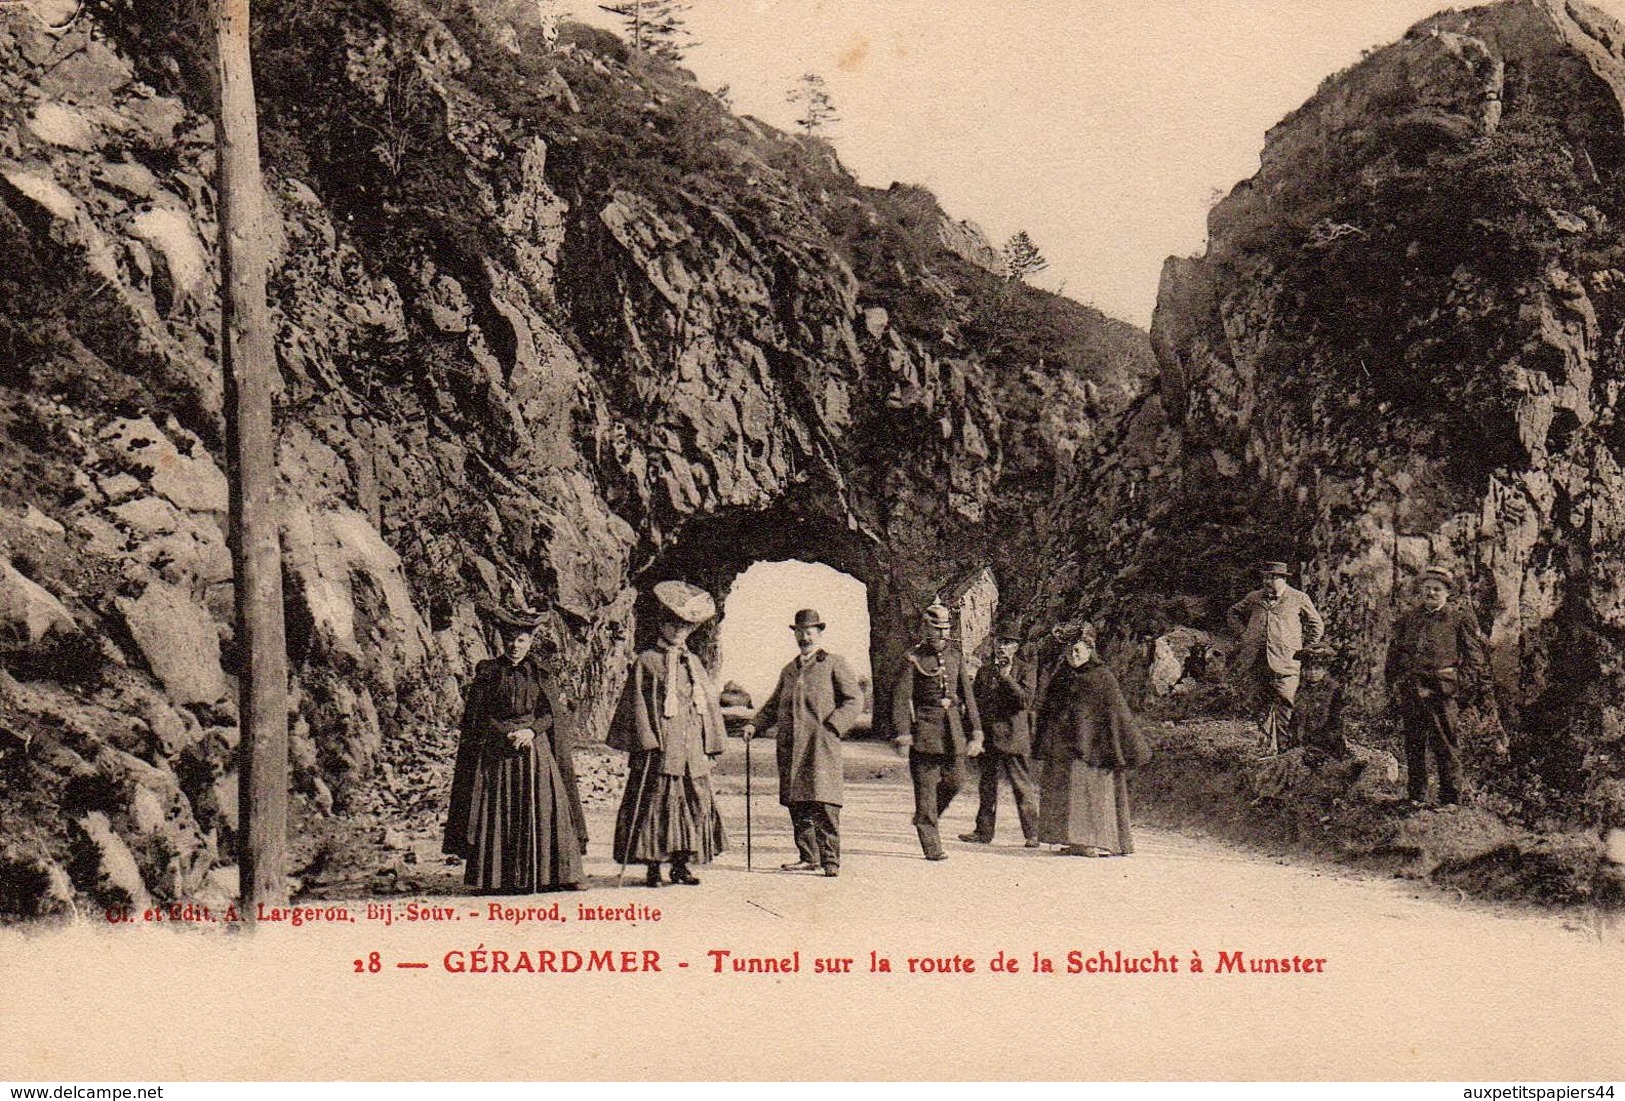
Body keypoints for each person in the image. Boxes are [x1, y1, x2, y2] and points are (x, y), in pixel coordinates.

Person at [442, 605, 586, 893]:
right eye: (510, 639)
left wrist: (531, 731)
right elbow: (478, 716)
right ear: (501, 640)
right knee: (499, 811)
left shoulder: (540, 673)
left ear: (530, 642)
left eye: (521, 640)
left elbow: (550, 714)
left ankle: (549, 876)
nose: (515, 645)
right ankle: (498, 879)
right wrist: (507, 733)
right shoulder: (488, 672)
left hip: (536, 750)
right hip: (500, 751)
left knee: (545, 807)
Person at [607, 580, 729, 887]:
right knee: (656, 805)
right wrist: (646, 740)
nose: (678, 631)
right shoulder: (647, 661)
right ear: (662, 624)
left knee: (692, 804)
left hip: (690, 752)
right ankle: (653, 868)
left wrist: (711, 743)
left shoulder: (694, 663)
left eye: (685, 627)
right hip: (661, 748)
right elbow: (636, 703)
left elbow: (708, 705)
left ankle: (681, 865)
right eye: (673, 624)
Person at [744, 609, 865, 878]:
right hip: (790, 747)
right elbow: (774, 705)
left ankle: (830, 860)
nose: (804, 637)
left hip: (821, 746)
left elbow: (854, 699)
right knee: (797, 802)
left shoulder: (834, 663)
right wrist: (754, 724)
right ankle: (808, 856)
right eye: (799, 631)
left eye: (809, 632)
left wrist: (834, 726)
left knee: (824, 802)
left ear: (819, 633)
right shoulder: (789, 670)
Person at [1033, 624, 1150, 857]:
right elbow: (1048, 709)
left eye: (1077, 651)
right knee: (1066, 792)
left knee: (1091, 793)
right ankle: (1073, 841)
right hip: (1066, 747)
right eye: (1068, 652)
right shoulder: (1062, 676)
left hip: (1095, 750)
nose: (1073, 656)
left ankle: (1095, 842)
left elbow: (1116, 714)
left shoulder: (1102, 677)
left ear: (1089, 650)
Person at [1384, 565, 1488, 808]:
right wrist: (1395, 684)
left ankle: (1450, 799)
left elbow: (1475, 660)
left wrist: (1459, 688)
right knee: (1414, 743)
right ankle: (1416, 796)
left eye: (1437, 589)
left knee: (1446, 744)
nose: (1431, 593)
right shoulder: (1409, 619)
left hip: (1442, 691)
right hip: (1412, 689)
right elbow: (1394, 655)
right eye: (1427, 588)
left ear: (1447, 593)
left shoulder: (1458, 619)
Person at [892, 602, 984, 861]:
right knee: (925, 792)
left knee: (956, 781)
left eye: (945, 628)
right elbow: (901, 698)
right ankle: (932, 845)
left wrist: (976, 732)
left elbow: (968, 695)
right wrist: (903, 734)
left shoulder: (955, 656)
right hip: (925, 731)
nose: (942, 633)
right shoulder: (914, 658)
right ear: (925, 628)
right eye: (936, 628)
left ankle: (926, 815)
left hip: (953, 731)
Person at [1227, 560, 1326, 757]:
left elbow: (1317, 625)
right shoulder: (1254, 597)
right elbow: (1233, 612)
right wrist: (1244, 635)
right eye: (1265, 577)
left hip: (1286, 661)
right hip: (1256, 660)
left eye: (1272, 577)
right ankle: (1265, 747)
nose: (1267, 581)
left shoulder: (1298, 598)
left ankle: (1286, 751)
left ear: (1283, 579)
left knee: (1287, 704)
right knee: (1258, 703)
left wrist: (1301, 648)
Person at [961, 626, 1040, 847]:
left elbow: (1026, 701)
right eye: (998, 642)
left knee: (1021, 786)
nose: (1001, 647)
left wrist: (1007, 679)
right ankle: (983, 832)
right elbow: (975, 704)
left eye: (1007, 643)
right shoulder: (985, 671)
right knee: (986, 786)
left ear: (1016, 647)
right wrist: (973, 734)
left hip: (1014, 737)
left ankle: (1033, 834)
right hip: (989, 738)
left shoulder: (1025, 669)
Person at [1291, 643, 1352, 763]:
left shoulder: (1334, 690)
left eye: (1317, 668)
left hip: (1327, 748)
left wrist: (1318, 747)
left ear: (1324, 670)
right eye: (1308, 668)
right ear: (1303, 670)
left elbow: (1335, 725)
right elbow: (1295, 722)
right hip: (1303, 748)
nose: (1313, 672)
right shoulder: (1301, 690)